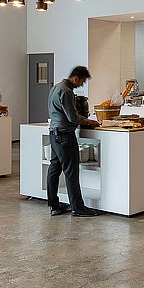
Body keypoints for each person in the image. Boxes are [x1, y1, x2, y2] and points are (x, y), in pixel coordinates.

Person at [45, 66, 102, 217]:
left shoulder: (56, 87)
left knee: (54, 169)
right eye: (82, 82)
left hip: (54, 133)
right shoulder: (66, 91)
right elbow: (72, 117)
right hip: (64, 135)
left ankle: (54, 205)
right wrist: (88, 121)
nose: (82, 85)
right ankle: (78, 208)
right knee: (71, 173)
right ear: (76, 78)